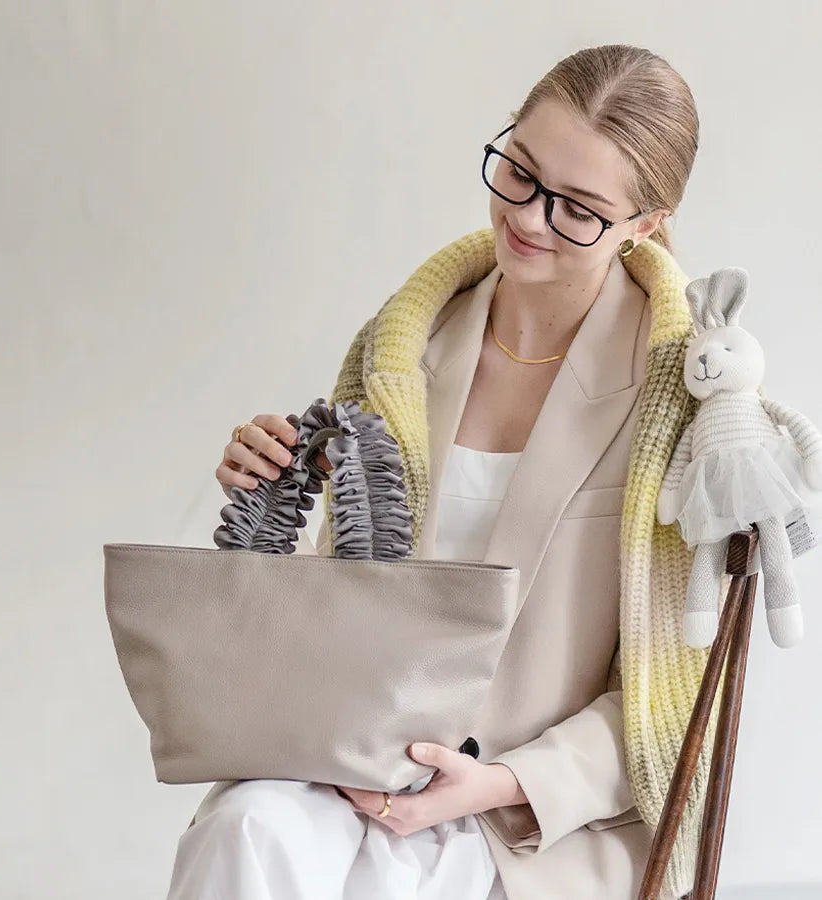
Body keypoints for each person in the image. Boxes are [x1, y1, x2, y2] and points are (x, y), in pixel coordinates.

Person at [167, 43, 707, 900]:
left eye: (578, 209)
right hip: (351, 762)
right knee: (244, 830)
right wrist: (265, 498)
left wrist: (501, 784)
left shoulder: (680, 386)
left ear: (646, 222)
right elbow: (339, 596)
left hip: (528, 819)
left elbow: (674, 691)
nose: (529, 218)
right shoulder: (406, 342)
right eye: (520, 172)